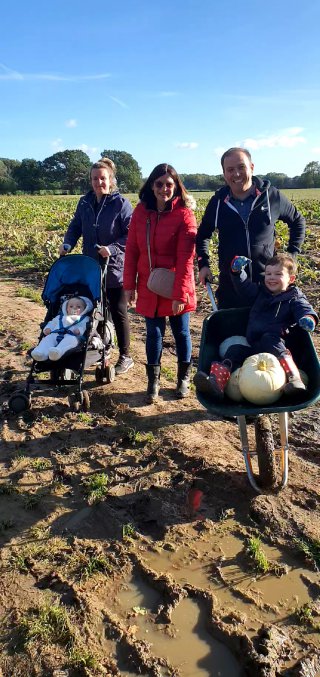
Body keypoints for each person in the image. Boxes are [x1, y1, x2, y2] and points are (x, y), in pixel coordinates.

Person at [194, 253, 318, 400]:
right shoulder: (261, 292)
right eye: (268, 273)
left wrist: (308, 318)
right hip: (255, 346)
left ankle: (294, 378)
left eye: (278, 274)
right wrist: (238, 272)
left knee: (269, 338)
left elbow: (304, 309)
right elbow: (244, 287)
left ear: (291, 279)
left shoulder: (294, 297)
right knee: (234, 350)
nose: (271, 277)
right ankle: (216, 384)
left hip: (277, 348)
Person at [196, 147, 306, 309]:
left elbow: (297, 220)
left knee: (267, 333)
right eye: (230, 169)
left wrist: (292, 253)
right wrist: (203, 264)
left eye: (241, 167)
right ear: (224, 173)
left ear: (252, 167)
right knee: (233, 333)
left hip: (268, 285)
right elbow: (203, 234)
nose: (236, 174)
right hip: (231, 286)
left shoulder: (271, 197)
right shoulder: (218, 203)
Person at [123, 163, 197, 402]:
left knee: (181, 333)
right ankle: (153, 382)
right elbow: (132, 250)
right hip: (148, 284)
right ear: (151, 185)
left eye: (169, 184)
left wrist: (179, 294)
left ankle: (183, 379)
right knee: (153, 334)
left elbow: (186, 258)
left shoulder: (185, 214)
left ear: (176, 187)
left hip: (176, 283)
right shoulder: (140, 212)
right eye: (159, 184)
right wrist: (129, 285)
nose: (164, 189)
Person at [59, 157, 134, 375]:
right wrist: (68, 242)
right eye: (94, 178)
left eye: (103, 178)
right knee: (94, 311)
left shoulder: (121, 204)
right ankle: (103, 348)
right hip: (90, 266)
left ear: (111, 180)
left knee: (118, 311)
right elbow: (75, 226)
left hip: (114, 266)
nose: (98, 182)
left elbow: (131, 235)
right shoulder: (85, 202)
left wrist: (112, 248)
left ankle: (126, 356)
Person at [31, 296, 93, 361]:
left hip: (72, 336)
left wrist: (79, 330)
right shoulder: (59, 317)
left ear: (85, 309)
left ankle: (57, 352)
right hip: (56, 334)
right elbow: (52, 323)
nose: (74, 308)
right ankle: (40, 353)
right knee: (47, 339)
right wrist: (48, 328)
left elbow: (84, 326)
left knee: (71, 340)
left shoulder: (84, 319)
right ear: (66, 308)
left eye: (78, 307)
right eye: (71, 306)